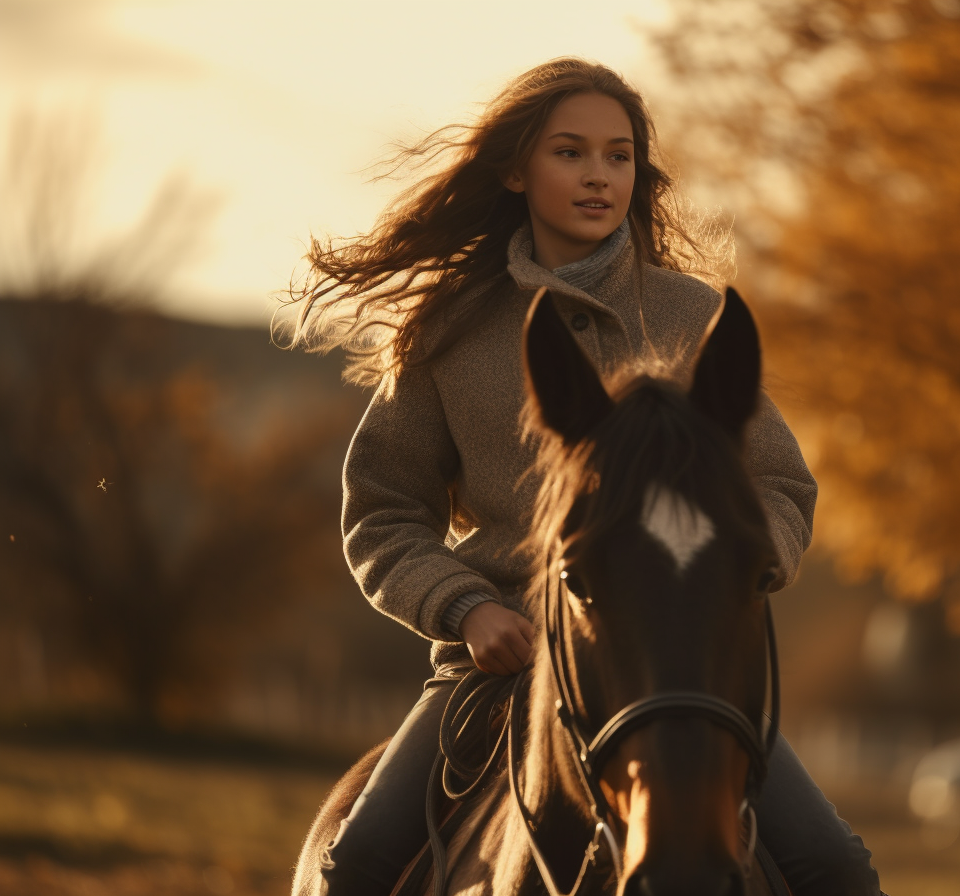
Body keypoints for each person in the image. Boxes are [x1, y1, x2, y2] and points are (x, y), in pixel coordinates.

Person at [283, 57, 880, 896]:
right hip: (492, 673)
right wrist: (467, 607)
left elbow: (780, 485)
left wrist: (739, 570)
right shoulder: (445, 332)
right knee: (354, 871)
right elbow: (381, 514)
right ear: (514, 169)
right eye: (570, 153)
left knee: (839, 871)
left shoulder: (693, 315)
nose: (599, 175)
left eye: (619, 155)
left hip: (680, 673)